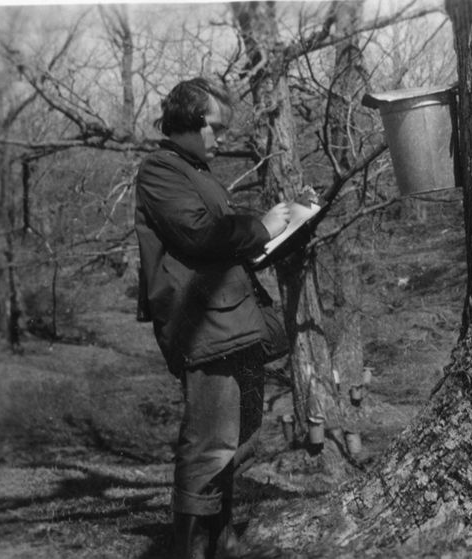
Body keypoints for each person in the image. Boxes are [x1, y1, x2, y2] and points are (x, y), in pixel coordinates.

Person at [134, 77, 290, 559]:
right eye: (216, 128)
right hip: (206, 329)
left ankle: (219, 544)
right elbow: (200, 235)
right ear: (187, 121)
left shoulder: (195, 169)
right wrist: (258, 225)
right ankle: (193, 551)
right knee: (210, 448)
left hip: (236, 325)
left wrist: (284, 233)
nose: (222, 139)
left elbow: (222, 245)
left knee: (241, 443)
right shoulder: (160, 170)